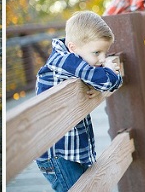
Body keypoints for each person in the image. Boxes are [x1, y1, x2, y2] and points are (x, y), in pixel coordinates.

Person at [34, 11, 122, 192]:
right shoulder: (66, 61)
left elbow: (111, 82)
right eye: (97, 52)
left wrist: (101, 85)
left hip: (70, 149)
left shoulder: (74, 57)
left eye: (104, 53)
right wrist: (107, 72)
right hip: (58, 155)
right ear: (73, 47)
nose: (102, 59)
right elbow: (108, 81)